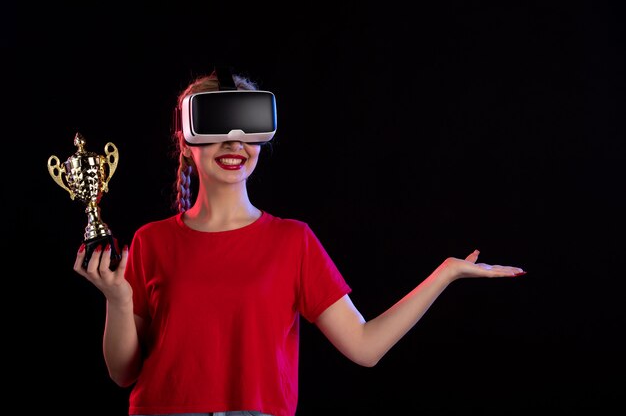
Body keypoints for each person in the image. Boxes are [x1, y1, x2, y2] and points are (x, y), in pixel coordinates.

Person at [73, 69, 526, 416]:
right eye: (216, 124)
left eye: (247, 125)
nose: (234, 141)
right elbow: (122, 373)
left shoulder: (293, 241)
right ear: (186, 138)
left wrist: (445, 272)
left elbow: (364, 347)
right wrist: (116, 296)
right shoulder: (151, 241)